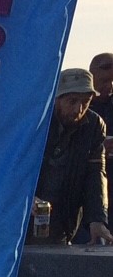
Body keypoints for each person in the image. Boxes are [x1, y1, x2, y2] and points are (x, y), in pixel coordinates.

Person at [34, 67, 111, 246]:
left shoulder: (94, 125)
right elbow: (12, 165)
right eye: (72, 101)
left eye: (86, 102)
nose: (79, 109)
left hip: (62, 218)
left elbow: (96, 173)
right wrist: (24, 197)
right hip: (20, 215)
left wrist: (97, 219)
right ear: (57, 98)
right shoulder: (36, 119)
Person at [90, 52, 113, 149]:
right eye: (104, 81)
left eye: (112, 81)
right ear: (91, 77)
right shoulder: (77, 106)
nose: (109, 86)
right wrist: (99, 148)